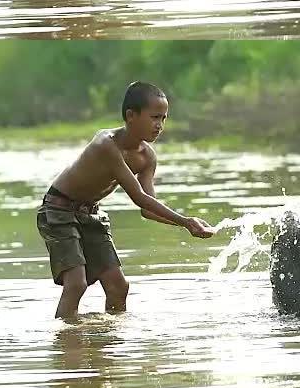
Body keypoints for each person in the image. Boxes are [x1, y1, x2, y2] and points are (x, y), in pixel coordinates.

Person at [36, 81, 215, 319]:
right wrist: (185, 221)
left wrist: (188, 226)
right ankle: (67, 346)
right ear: (131, 115)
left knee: (118, 287)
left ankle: (111, 344)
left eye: (164, 118)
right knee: (76, 284)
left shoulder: (146, 157)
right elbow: (139, 198)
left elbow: (148, 210)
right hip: (58, 210)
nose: (159, 125)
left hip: (90, 214)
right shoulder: (106, 144)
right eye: (154, 117)